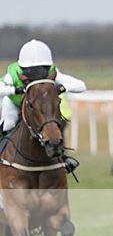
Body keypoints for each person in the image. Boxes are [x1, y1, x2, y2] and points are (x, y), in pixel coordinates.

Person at [0, 39, 86, 173]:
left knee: (52, 126)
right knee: (8, 124)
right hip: (15, 102)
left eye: (42, 68)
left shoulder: (53, 71)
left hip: (39, 106)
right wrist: (14, 90)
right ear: (22, 68)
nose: (37, 73)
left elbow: (81, 86)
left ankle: (62, 157)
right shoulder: (13, 72)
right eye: (31, 70)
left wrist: (63, 87)